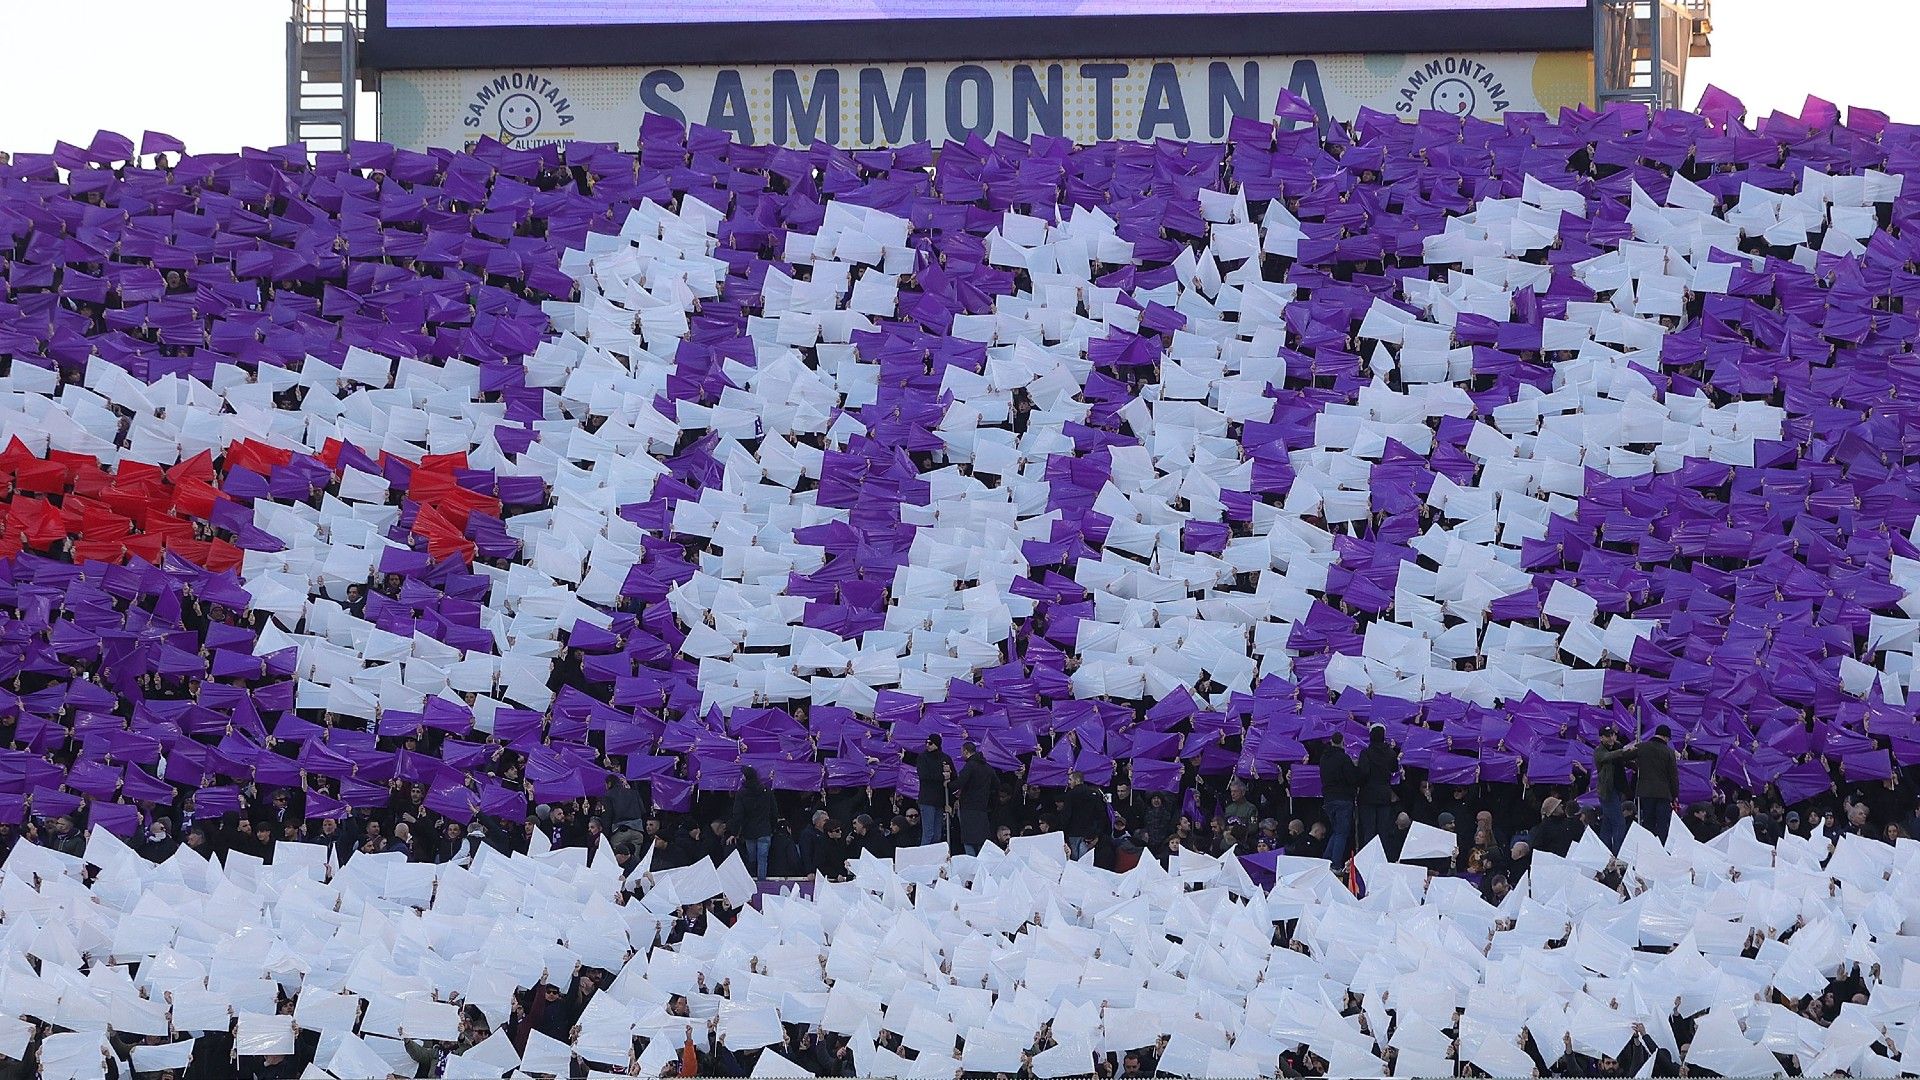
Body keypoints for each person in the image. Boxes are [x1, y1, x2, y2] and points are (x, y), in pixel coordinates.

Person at [1591, 725, 1636, 852]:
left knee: (1608, 824)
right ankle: (1618, 852)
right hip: (1607, 792)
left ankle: (1604, 852)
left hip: (1618, 789)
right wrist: (1623, 750)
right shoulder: (1599, 751)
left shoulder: (1618, 746)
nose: (1611, 738)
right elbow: (1607, 756)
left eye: (1612, 735)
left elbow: (1625, 759)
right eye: (1607, 736)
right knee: (1619, 822)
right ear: (1601, 738)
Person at [1356, 725, 1398, 852]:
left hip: (1367, 795)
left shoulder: (1366, 753)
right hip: (1384, 795)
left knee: (1368, 830)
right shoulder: (1390, 753)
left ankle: (1368, 858)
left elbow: (1363, 772)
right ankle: (1382, 857)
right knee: (1383, 831)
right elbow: (1394, 768)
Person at [1319, 732, 1358, 869]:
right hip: (1343, 799)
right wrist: (1355, 767)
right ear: (1342, 742)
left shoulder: (1323, 758)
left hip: (1328, 799)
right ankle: (1335, 865)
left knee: (1336, 832)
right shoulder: (1344, 758)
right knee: (1342, 833)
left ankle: (1326, 861)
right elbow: (1352, 778)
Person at [728, 766, 776, 878]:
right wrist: (771, 828)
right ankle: (761, 883)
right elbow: (774, 812)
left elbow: (738, 815)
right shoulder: (766, 791)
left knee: (752, 859)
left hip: (749, 832)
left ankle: (751, 881)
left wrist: (734, 832)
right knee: (762, 860)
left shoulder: (741, 793)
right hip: (764, 830)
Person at [1635, 725, 1680, 841]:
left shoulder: (1642, 747)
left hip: (1646, 792)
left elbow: (1625, 757)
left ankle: (1648, 847)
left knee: (1648, 822)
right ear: (1666, 737)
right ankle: (1661, 847)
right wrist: (1675, 795)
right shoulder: (1669, 752)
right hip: (1663, 793)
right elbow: (1673, 776)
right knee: (1662, 824)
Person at [955, 740, 996, 856]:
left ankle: (971, 864)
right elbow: (996, 784)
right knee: (981, 841)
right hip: (982, 807)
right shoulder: (987, 767)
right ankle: (983, 862)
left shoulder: (970, 766)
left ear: (965, 751)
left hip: (968, 807)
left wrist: (948, 784)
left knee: (968, 840)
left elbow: (959, 783)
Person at [914, 734, 954, 847]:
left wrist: (949, 774)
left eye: (930, 743)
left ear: (937, 744)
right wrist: (943, 776)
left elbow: (953, 776)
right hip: (927, 799)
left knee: (937, 835)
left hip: (940, 800)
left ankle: (935, 855)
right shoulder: (922, 757)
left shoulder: (945, 758)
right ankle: (924, 855)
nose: (927, 745)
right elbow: (923, 775)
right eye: (926, 742)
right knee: (928, 833)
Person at [1063, 770, 1107, 860]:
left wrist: (1063, 829)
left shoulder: (1070, 795)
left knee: (1074, 861)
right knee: (1085, 861)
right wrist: (1097, 833)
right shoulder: (1094, 794)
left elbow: (1066, 816)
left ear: (1077, 780)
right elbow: (1101, 815)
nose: (1068, 782)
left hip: (1074, 833)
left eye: (1070, 779)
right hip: (1090, 834)